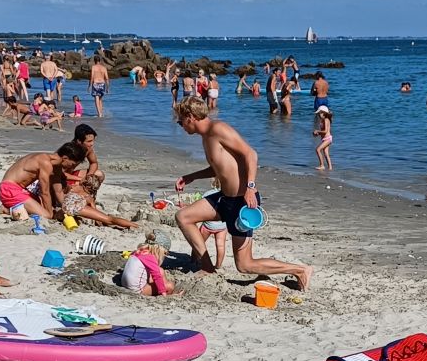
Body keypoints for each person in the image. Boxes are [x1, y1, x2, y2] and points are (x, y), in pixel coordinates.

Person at [172, 97, 313, 290]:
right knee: (183, 217)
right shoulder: (206, 137)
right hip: (223, 199)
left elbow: (251, 154)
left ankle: (300, 270)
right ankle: (207, 267)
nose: (180, 125)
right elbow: (219, 168)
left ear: (190, 117)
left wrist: (250, 187)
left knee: (245, 265)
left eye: (180, 121)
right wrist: (191, 177)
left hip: (241, 203)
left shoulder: (218, 129)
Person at [0, 142, 87, 227]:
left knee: (47, 209)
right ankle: (7, 209)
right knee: (46, 215)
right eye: (72, 164)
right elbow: (44, 192)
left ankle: (15, 207)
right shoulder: (45, 162)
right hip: (9, 189)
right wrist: (50, 214)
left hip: (20, 190)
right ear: (65, 158)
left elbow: (58, 191)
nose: (72, 167)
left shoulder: (55, 164)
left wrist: (67, 208)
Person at [119, 231, 178, 296]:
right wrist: (163, 292)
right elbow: (157, 276)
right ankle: (168, 292)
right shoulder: (150, 257)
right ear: (159, 250)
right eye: (165, 253)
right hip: (137, 289)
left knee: (160, 270)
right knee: (170, 286)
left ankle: (164, 284)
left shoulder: (137, 252)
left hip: (124, 284)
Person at [313, 105, 333, 170]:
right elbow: (323, 132)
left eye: (319, 113)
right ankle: (330, 168)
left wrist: (318, 131)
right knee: (326, 153)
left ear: (323, 113)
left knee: (318, 149)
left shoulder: (326, 120)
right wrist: (317, 133)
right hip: (325, 139)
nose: (319, 115)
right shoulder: (322, 120)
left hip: (328, 139)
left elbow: (325, 131)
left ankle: (322, 165)